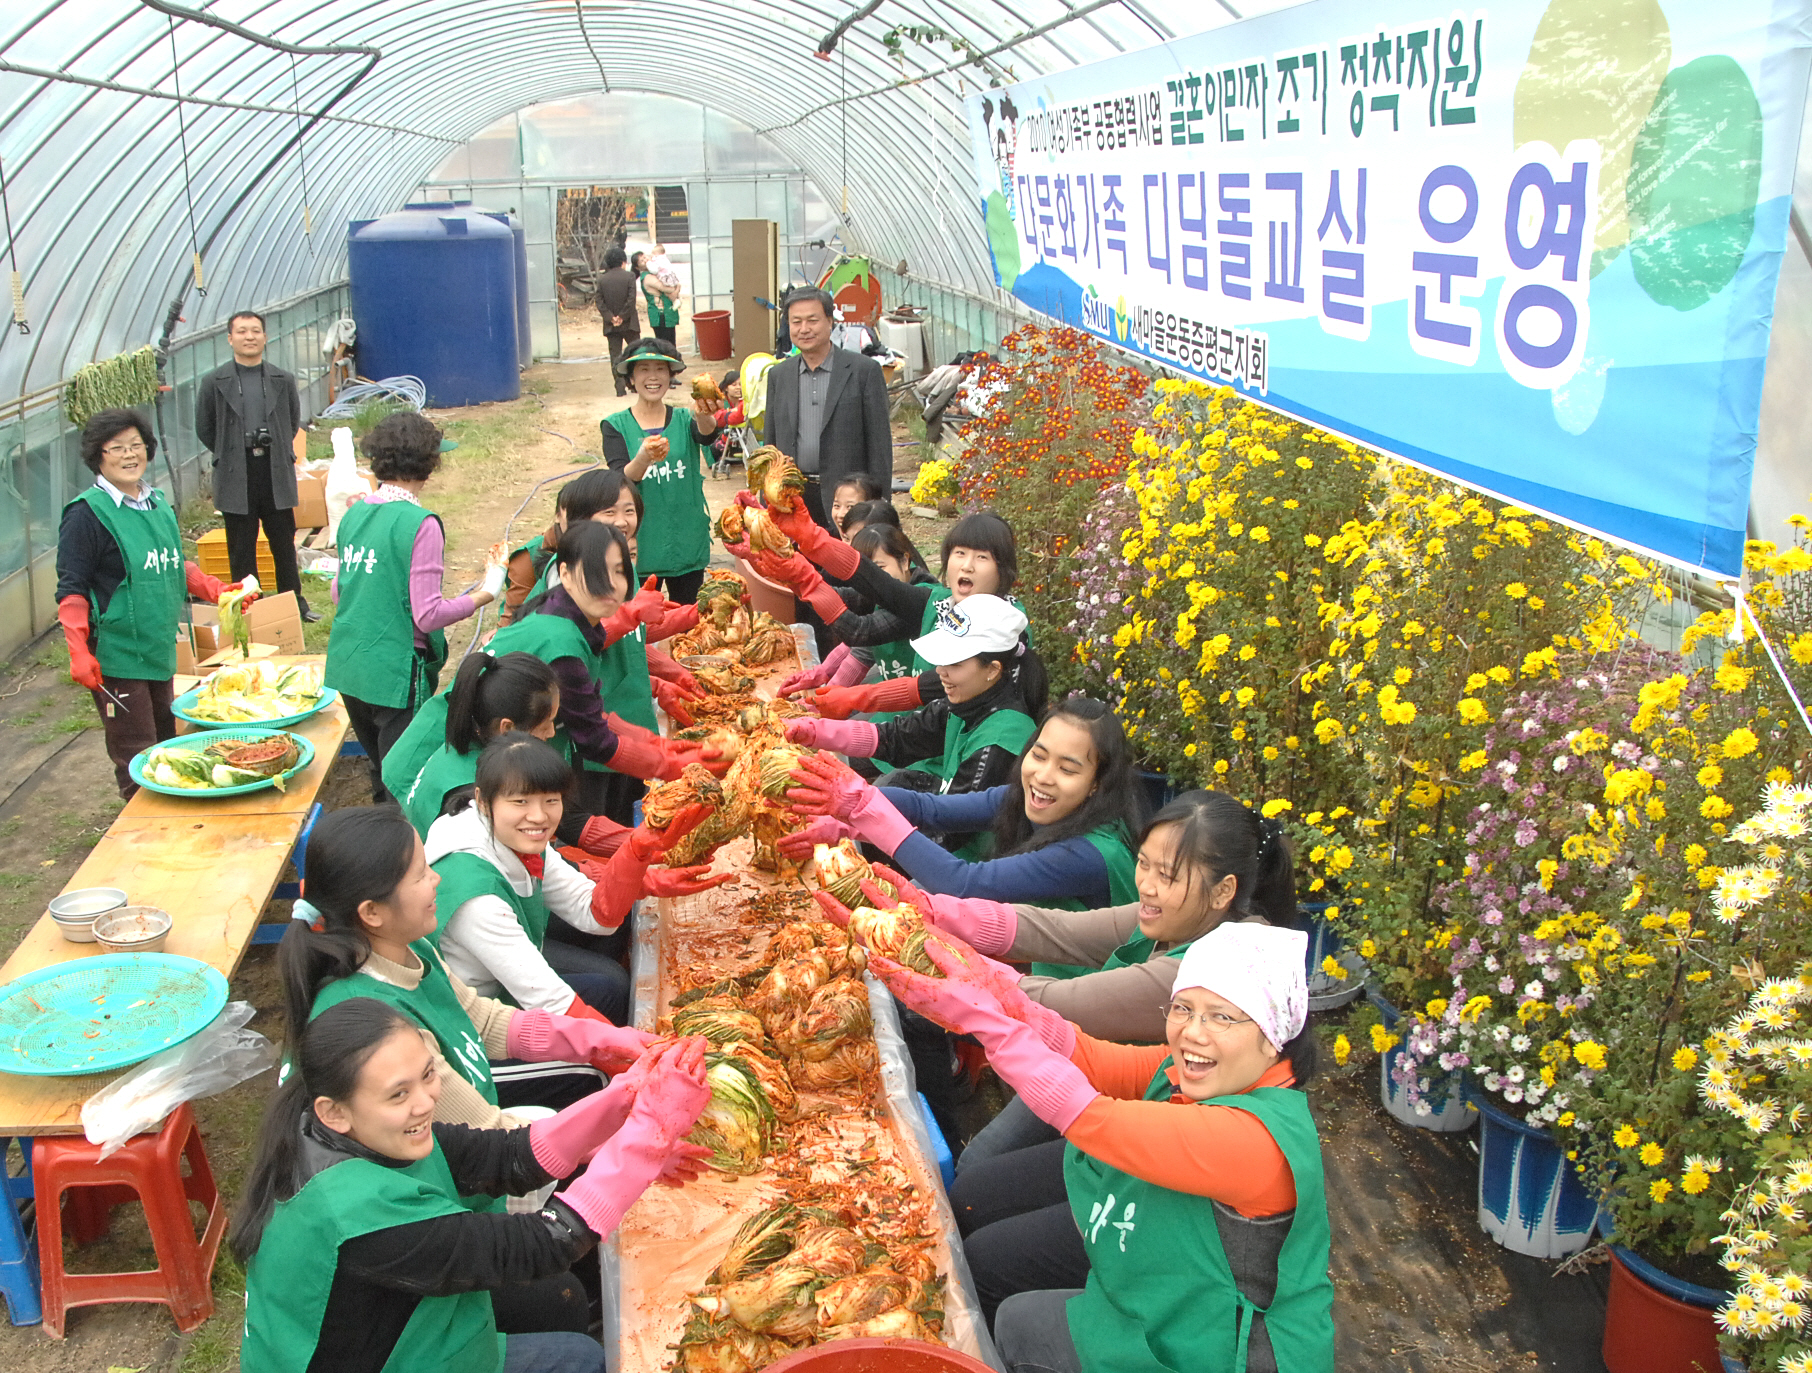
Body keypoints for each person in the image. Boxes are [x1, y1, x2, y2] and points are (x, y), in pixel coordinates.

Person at [873, 923, 1334, 1373]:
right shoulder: (1198, 1069)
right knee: (984, 1232)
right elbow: (1095, 1061)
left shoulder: (1253, 1140)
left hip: (1216, 1345)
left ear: (1274, 1039)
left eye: (1222, 1016)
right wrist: (995, 990)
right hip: (1174, 1280)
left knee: (1017, 1322)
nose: (1193, 1032)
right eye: (1184, 1009)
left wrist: (983, 1021)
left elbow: (1089, 1116)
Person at [233, 996, 711, 1373]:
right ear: (333, 1111)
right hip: (380, 1358)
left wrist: (624, 1099)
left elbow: (508, 1156)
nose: (424, 1103)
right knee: (583, 1359)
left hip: (398, 1328)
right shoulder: (359, 1219)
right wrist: (648, 1135)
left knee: (559, 1305)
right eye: (399, 1094)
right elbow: (542, 1244)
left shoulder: (358, 1133)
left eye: (426, 1077)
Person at [859, 788, 1295, 1172]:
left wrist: (953, 968)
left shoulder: (1213, 971)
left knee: (984, 1177)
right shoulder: (1182, 915)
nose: (1147, 885)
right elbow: (1056, 931)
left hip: (1147, 1118)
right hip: (1093, 1065)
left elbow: (1058, 1004)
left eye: (1168, 876)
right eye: (1144, 865)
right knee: (983, 1173)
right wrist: (935, 914)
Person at [281, 805, 666, 1121]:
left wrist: (604, 1040)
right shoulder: (374, 1026)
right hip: (445, 1169)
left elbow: (482, 1018)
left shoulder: (407, 946)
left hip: (467, 1109)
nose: (436, 879)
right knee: (596, 1090)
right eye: (419, 876)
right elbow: (485, 1133)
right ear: (372, 912)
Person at [428, 733, 727, 1027]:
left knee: (610, 983)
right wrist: (647, 1052)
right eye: (520, 802)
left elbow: (596, 914)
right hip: (465, 1026)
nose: (538, 816)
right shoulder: (476, 897)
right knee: (599, 1027)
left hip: (498, 982)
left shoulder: (508, 834)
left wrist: (637, 849)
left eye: (550, 800)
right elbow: (552, 1003)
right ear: (482, 800)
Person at [55, 408, 249, 797]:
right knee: (135, 749)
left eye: (136, 446)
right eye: (117, 448)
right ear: (98, 455)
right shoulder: (86, 515)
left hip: (157, 644)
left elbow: (174, 563)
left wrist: (216, 590)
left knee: (166, 737)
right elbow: (71, 588)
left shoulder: (156, 502)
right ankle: (139, 827)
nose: (129, 456)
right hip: (118, 652)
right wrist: (78, 649)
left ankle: (172, 813)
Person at [489, 521, 720, 829]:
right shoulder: (563, 644)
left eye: (620, 571)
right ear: (566, 574)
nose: (610, 584)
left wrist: (661, 745)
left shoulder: (568, 615)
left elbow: (592, 712)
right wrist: (672, 764)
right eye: (596, 572)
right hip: (472, 764)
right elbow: (595, 740)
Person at [325, 412, 507, 802]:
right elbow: (427, 615)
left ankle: (377, 832)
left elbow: (339, 593)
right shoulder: (420, 523)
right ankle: (399, 850)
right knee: (402, 774)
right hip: (394, 671)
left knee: (377, 765)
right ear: (428, 464)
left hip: (349, 663)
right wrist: (483, 594)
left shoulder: (354, 513)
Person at [782, 595, 1045, 833]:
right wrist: (814, 731)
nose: (940, 671)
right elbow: (897, 737)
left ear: (992, 669)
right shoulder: (967, 700)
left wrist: (849, 826)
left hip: (966, 867)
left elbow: (950, 831)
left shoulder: (1001, 743)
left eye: (954, 663)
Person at [746, 502, 1021, 718]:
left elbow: (926, 684)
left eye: (982, 557)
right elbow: (875, 584)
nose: (967, 566)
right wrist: (809, 539)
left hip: (946, 744)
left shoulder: (1006, 626)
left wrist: (853, 697)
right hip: (919, 726)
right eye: (959, 554)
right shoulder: (940, 601)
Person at [194, 310, 313, 619]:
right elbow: (205, 427)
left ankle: (293, 603)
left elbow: (291, 421)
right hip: (236, 472)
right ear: (230, 338)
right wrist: (230, 451)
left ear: (265, 336)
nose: (250, 337)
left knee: (283, 543)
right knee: (241, 547)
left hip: (273, 470)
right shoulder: (214, 381)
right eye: (243, 331)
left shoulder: (281, 379)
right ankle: (249, 606)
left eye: (255, 331)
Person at [760, 287, 892, 534]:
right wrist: (767, 495)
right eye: (795, 322)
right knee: (798, 569)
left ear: (830, 322)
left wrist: (880, 504)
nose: (804, 329)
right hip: (795, 497)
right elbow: (772, 443)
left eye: (812, 320)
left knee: (847, 569)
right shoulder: (779, 375)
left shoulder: (863, 371)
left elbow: (879, 445)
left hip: (847, 500)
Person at [599, 338, 717, 607]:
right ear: (630, 378)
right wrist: (644, 457)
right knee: (638, 620)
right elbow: (621, 478)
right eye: (643, 369)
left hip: (685, 539)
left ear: (670, 376)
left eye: (660, 369)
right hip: (641, 541)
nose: (653, 377)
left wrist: (704, 413)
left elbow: (708, 435)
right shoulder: (615, 425)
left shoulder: (685, 419)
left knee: (687, 619)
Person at [777, 522, 934, 698]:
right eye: (867, 572)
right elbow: (844, 598)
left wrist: (823, 699)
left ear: (905, 561)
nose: (875, 578)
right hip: (892, 686)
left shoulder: (920, 599)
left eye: (880, 568)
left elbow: (860, 632)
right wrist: (795, 580)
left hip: (915, 702)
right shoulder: (886, 589)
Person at [501, 469, 645, 624]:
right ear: (582, 516)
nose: (621, 522)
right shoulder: (573, 564)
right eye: (610, 512)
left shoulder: (620, 557)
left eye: (629, 511)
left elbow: (631, 637)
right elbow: (578, 632)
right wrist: (633, 614)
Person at [593, 247, 640, 391]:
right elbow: (631, 299)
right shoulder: (629, 277)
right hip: (629, 323)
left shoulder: (602, 279)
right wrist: (622, 316)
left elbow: (599, 301)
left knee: (615, 355)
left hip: (611, 325)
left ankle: (619, 388)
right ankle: (634, 385)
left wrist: (610, 317)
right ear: (623, 262)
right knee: (635, 353)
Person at [634, 252, 680, 346]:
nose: (645, 260)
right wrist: (677, 287)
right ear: (637, 268)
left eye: (645, 257)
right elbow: (667, 288)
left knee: (670, 342)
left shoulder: (655, 272)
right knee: (666, 345)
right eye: (641, 261)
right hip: (660, 314)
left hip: (665, 313)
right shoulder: (647, 277)